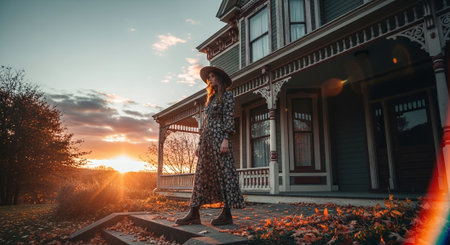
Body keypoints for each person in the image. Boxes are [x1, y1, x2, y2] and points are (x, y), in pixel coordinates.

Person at [175, 66, 245, 226]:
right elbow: (206, 123)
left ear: (219, 78)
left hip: (220, 139)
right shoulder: (211, 99)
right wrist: (200, 143)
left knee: (224, 175)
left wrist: (226, 139)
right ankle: (194, 213)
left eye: (212, 76)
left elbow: (228, 118)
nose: (210, 79)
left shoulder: (227, 96)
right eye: (209, 78)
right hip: (207, 141)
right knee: (201, 175)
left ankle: (227, 214)